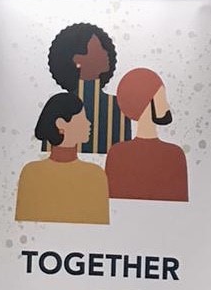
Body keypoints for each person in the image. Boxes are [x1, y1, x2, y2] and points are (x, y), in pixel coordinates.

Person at [15, 94, 110, 224]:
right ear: (61, 124)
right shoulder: (31, 173)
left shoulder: (96, 174)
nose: (88, 123)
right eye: (82, 118)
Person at [105, 68, 188, 201]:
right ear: (147, 101)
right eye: (162, 97)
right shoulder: (174, 155)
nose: (167, 105)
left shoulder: (116, 153)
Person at [46, 22, 130, 154]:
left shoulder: (118, 108)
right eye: (98, 48)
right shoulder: (57, 108)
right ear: (77, 59)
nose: (105, 53)